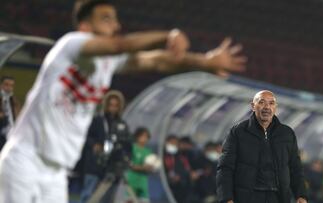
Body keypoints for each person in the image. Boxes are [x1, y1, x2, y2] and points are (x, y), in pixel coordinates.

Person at [0, 0, 246, 202]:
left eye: (115, 19)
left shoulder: (109, 62)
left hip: (56, 172)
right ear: (85, 26)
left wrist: (205, 62)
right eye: (106, 19)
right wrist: (167, 36)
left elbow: (157, 61)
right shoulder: (71, 44)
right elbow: (121, 45)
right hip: (26, 158)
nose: (115, 25)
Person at [216, 90, 308, 203]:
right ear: (253, 106)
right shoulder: (238, 132)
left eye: (271, 103)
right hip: (248, 197)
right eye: (262, 102)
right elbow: (225, 168)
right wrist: (226, 198)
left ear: (276, 108)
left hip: (278, 198)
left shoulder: (287, 134)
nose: (267, 107)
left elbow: (296, 168)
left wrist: (301, 195)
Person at [78, 90, 131, 203]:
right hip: (94, 163)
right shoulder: (97, 120)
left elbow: (127, 143)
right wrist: (94, 145)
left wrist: (124, 158)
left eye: (116, 105)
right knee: (88, 194)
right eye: (110, 105)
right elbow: (86, 136)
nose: (113, 108)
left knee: (107, 197)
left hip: (111, 166)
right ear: (106, 105)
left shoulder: (122, 124)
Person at [125, 127, 153, 203]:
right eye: (143, 136)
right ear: (137, 136)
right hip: (132, 178)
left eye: (147, 137)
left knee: (144, 200)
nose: (145, 139)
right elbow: (129, 164)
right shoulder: (132, 148)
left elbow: (150, 166)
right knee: (130, 199)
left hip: (143, 180)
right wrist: (141, 167)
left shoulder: (148, 151)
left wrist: (150, 168)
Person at [0, 76, 19, 151]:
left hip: (11, 133)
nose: (9, 88)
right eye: (6, 84)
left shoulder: (13, 100)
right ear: (1, 85)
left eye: (11, 86)